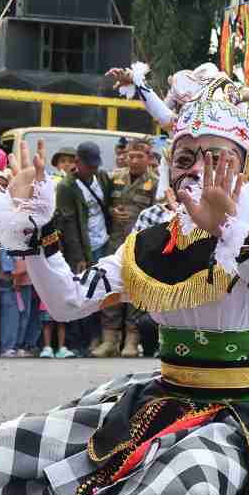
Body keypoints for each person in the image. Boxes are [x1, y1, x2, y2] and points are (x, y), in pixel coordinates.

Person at [0, 76, 249, 495]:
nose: (198, 170)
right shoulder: (145, 245)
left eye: (217, 159)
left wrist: (230, 230)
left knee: (178, 488)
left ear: (246, 173)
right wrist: (39, 230)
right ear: (170, 169)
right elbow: (68, 302)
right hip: (163, 402)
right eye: (185, 158)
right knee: (5, 445)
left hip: (238, 417)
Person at [95, 138, 158, 358]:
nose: (134, 160)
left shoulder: (155, 182)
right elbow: (101, 207)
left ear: (149, 158)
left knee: (134, 292)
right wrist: (112, 212)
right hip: (114, 241)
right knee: (110, 288)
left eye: (140, 156)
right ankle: (109, 340)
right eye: (131, 155)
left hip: (139, 245)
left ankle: (131, 340)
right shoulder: (114, 178)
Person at [53, 141, 114, 358]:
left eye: (95, 165)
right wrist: (78, 256)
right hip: (83, 248)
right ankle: (77, 343)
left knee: (102, 294)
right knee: (81, 294)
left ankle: (96, 339)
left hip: (104, 243)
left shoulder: (103, 178)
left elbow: (107, 205)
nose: (92, 170)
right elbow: (68, 225)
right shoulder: (66, 187)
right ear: (78, 162)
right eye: (88, 165)